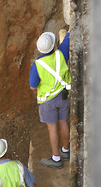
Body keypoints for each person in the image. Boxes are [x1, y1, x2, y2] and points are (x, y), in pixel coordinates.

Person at [29, 31, 71, 169]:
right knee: (64, 122)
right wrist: (69, 31)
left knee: (53, 128)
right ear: (53, 45)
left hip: (48, 102)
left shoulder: (37, 65)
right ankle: (66, 151)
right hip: (64, 96)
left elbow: (32, 86)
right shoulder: (61, 54)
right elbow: (67, 40)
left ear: (39, 49)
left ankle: (56, 159)